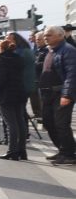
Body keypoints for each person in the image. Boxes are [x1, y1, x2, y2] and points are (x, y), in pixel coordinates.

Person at [38, 25, 76, 164]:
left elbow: (72, 75)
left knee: (61, 124)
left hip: (60, 93)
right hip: (48, 94)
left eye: (49, 35)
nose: (45, 37)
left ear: (60, 36)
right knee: (48, 122)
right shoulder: (51, 50)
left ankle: (69, 154)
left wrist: (66, 95)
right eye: (45, 35)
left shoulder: (68, 50)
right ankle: (63, 150)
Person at [0, 37, 29, 160]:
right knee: (20, 122)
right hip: (19, 92)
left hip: (6, 94)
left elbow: (1, 78)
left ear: (1, 48)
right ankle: (22, 151)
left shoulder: (1, 60)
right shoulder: (19, 59)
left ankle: (12, 151)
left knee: (11, 124)